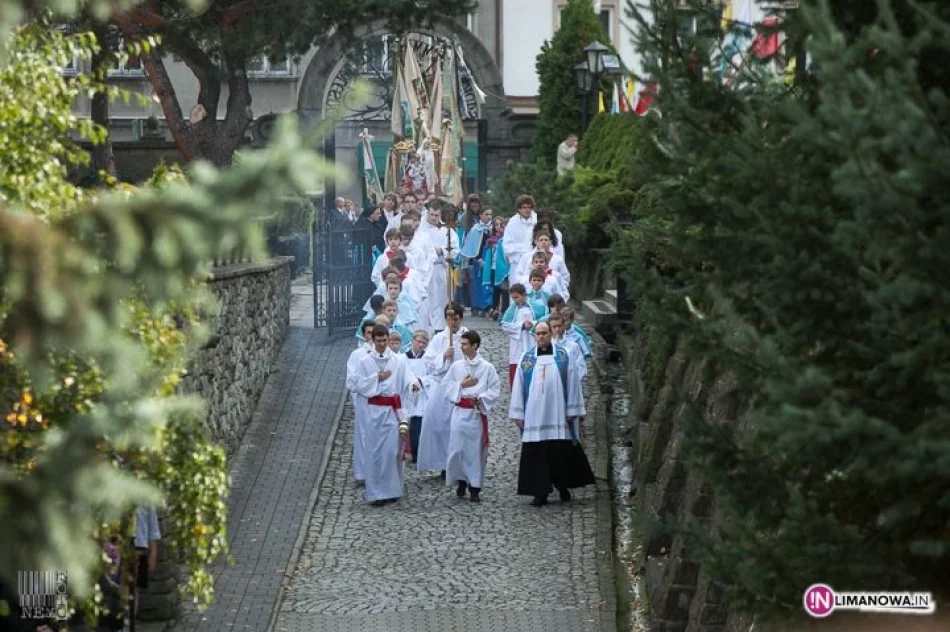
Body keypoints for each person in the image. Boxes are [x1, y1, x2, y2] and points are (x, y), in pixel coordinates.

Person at [509, 322, 594, 507]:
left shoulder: (564, 356)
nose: (541, 336)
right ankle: (540, 492)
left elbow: (573, 382)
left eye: (544, 333)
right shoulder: (527, 358)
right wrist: (518, 413)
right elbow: (518, 387)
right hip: (534, 416)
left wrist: (573, 409)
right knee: (537, 455)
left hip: (558, 414)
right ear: (534, 336)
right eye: (538, 333)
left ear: (550, 334)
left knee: (560, 453)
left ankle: (563, 486)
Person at [350, 325, 419, 506]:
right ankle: (376, 492)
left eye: (384, 340)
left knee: (392, 451)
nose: (381, 344)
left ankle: (392, 489)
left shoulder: (398, 361)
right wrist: (375, 379)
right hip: (374, 412)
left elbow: (408, 379)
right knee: (375, 452)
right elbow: (355, 384)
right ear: (372, 340)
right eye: (378, 341)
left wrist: (413, 385)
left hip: (392, 411)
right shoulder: (364, 361)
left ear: (388, 340)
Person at [442, 331, 501, 502]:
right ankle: (461, 480)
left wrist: (480, 398)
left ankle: (474, 486)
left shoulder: (487, 367)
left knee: (474, 451)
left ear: (475, 345)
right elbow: (446, 387)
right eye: (461, 344)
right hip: (460, 414)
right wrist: (461, 384)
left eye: (465, 344)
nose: (462, 347)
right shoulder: (457, 367)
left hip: (475, 414)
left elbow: (495, 389)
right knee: (457, 449)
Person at [416, 302, 468, 477]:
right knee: (438, 425)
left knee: (458, 427)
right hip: (442, 387)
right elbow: (429, 363)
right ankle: (443, 463)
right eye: (449, 318)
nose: (453, 322)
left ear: (461, 318)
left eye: (456, 319)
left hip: (460, 387)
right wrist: (443, 357)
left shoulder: (467, 336)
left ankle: (458, 463)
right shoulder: (439, 339)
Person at [418, 203, 460, 332]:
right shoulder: (420, 229)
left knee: (442, 299)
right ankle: (427, 326)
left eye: (436, 215)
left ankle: (441, 327)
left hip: (441, 268)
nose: (434, 217)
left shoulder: (447, 230)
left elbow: (455, 249)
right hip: (425, 269)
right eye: (431, 214)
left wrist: (441, 250)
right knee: (428, 299)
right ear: (427, 213)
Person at [346, 320, 376, 485]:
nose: (372, 337)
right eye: (369, 333)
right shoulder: (357, 355)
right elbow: (351, 381)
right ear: (364, 335)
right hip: (365, 402)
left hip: (384, 404)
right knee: (364, 437)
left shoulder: (389, 356)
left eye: (375, 333)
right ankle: (363, 473)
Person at [501, 283, 544, 388]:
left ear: (524, 295)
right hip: (518, 343)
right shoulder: (512, 309)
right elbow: (505, 325)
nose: (515, 300)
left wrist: (532, 325)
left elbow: (543, 321)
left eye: (517, 297)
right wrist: (521, 326)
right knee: (517, 367)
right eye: (513, 298)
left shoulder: (536, 307)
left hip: (533, 341)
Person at [459, 204, 494, 316]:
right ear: (481, 215)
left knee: (488, 283)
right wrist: (476, 258)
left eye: (490, 214)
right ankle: (476, 306)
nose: (488, 217)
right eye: (486, 214)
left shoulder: (493, 228)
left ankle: (487, 306)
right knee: (476, 284)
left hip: (489, 258)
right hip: (477, 259)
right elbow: (471, 245)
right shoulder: (475, 229)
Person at [403, 330, 432, 463]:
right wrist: (410, 381)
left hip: (421, 395)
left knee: (417, 425)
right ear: (413, 341)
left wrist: (420, 380)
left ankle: (416, 451)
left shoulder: (427, 358)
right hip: (406, 394)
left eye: (423, 343)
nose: (420, 345)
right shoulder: (403, 358)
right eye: (418, 341)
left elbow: (431, 375)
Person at [502, 194, 537, 274]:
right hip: (517, 262)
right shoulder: (512, 223)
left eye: (529, 207)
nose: (527, 210)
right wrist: (523, 250)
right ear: (519, 209)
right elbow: (507, 246)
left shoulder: (537, 221)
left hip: (535, 262)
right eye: (524, 208)